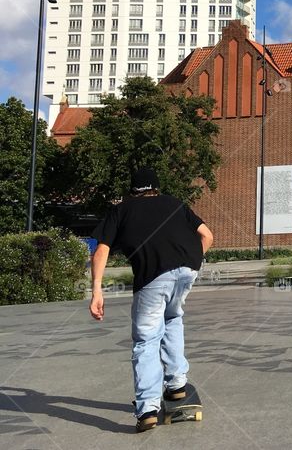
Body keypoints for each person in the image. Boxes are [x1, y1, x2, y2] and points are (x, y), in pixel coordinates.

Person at [88, 167, 213, 433]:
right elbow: (207, 236)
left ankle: (147, 408)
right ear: (156, 188)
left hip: (153, 277)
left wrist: (96, 290)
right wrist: (193, 263)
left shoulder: (121, 210)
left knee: (146, 340)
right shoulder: (174, 203)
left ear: (132, 190)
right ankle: (177, 384)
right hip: (186, 271)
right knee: (173, 317)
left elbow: (101, 250)